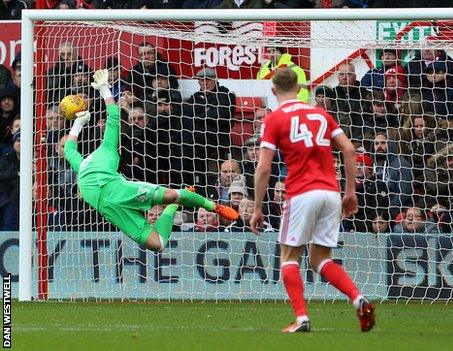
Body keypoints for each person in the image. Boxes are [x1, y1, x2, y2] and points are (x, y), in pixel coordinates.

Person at [250, 68, 375, 333]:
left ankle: (302, 318)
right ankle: (358, 298)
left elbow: (263, 168)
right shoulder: (321, 114)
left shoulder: (274, 119)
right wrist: (350, 191)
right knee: (320, 259)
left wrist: (258, 206)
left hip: (301, 192)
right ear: (299, 89)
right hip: (331, 193)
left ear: (274, 92)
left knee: (288, 257)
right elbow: (350, 150)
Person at [63, 69, 239, 252]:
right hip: (111, 210)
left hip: (119, 190)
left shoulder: (102, 153)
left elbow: (75, 145)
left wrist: (86, 114)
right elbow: (108, 120)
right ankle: (173, 207)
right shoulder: (94, 158)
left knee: (173, 195)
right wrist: (99, 96)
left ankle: (213, 206)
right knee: (158, 244)